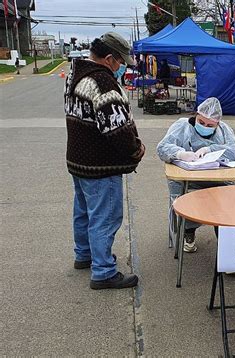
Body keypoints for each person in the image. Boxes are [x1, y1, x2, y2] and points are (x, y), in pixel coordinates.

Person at [64, 32, 145, 290]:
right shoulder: (103, 82)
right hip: (101, 164)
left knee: (84, 211)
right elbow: (117, 129)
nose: (122, 67)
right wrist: (136, 150)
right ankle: (103, 271)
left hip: (78, 160)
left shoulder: (75, 75)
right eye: (121, 62)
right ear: (110, 58)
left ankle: (84, 254)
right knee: (105, 217)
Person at [157, 97, 235, 253]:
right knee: (185, 201)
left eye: (210, 125)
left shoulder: (224, 130)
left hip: (217, 179)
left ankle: (228, 248)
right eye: (201, 122)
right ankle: (188, 232)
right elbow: (162, 147)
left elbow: (234, 151)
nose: (205, 127)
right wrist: (180, 153)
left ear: (218, 124)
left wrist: (210, 149)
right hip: (187, 178)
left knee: (227, 203)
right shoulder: (182, 126)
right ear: (196, 116)